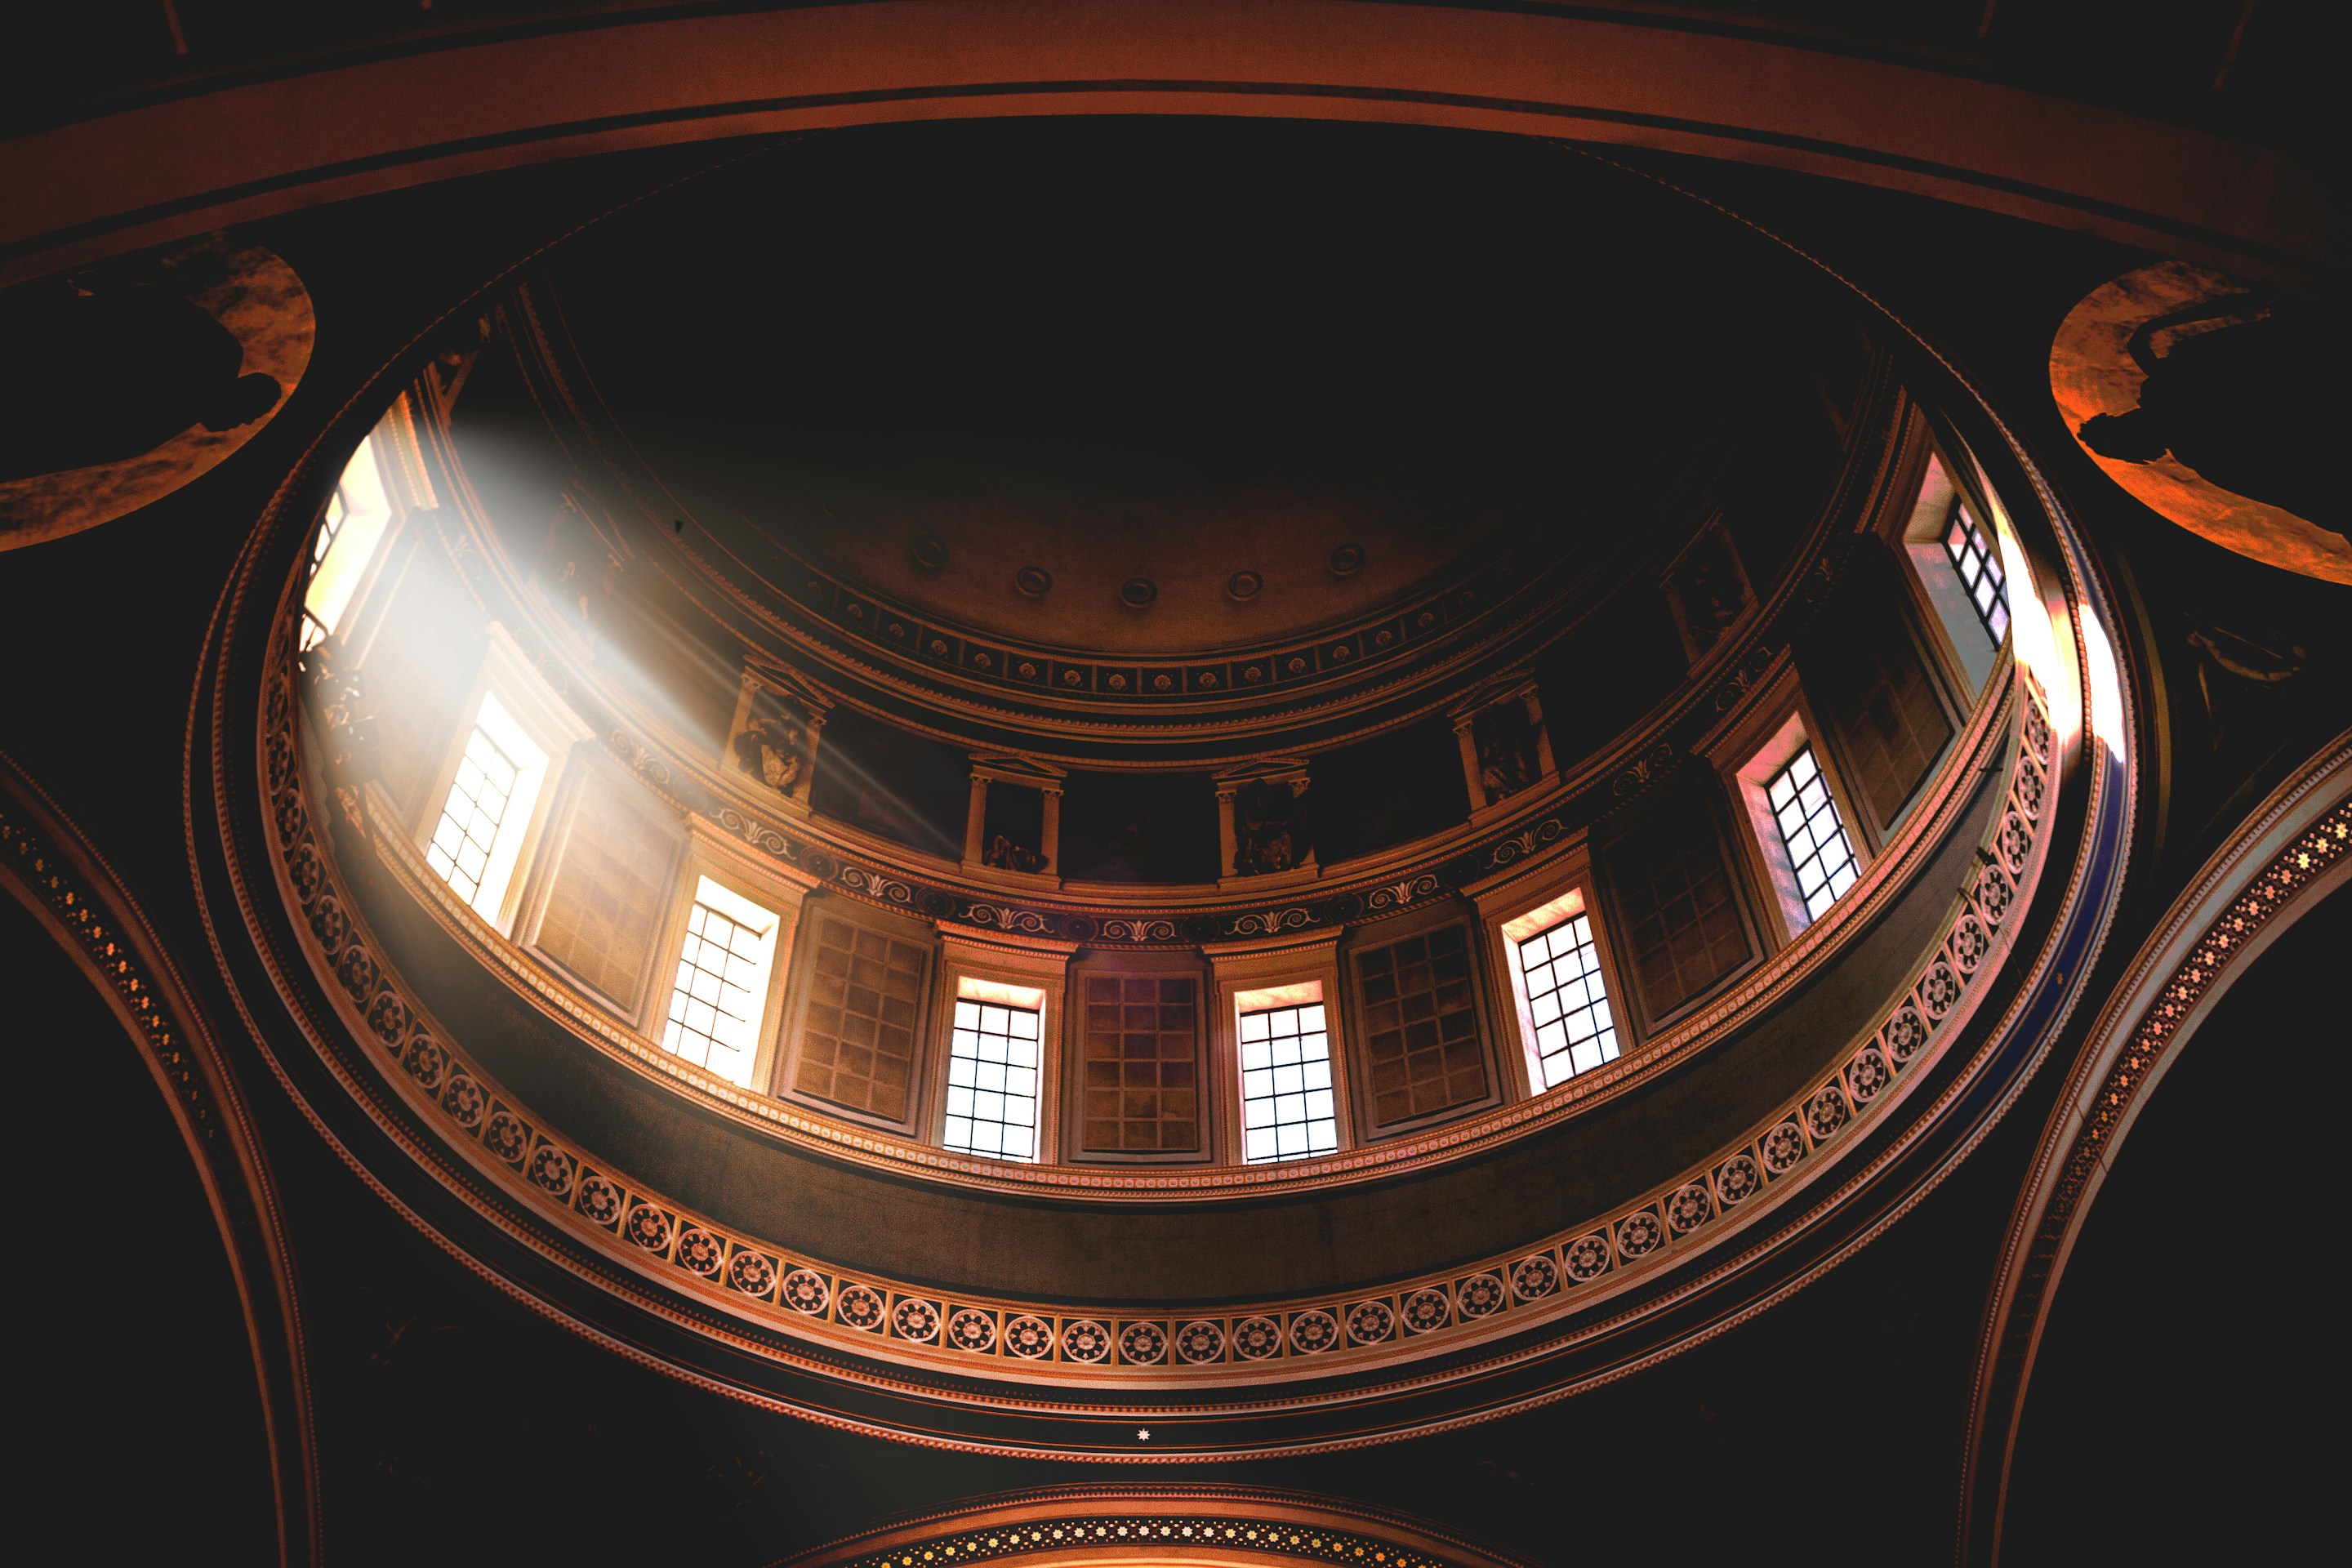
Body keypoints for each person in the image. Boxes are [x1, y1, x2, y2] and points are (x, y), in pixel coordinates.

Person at [2076, 289, 2343, 542]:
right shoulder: (2196, 442)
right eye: (2122, 424)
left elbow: (2289, 493)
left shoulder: (2174, 406)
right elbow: (2289, 491)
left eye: (2118, 420)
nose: (2128, 416)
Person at [0, 272, 280, 481]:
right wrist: (110, 289)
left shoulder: (166, 422)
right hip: (37, 330)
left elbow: (60, 445)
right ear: (243, 390)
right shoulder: (217, 355)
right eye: (250, 413)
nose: (243, 423)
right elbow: (164, 309)